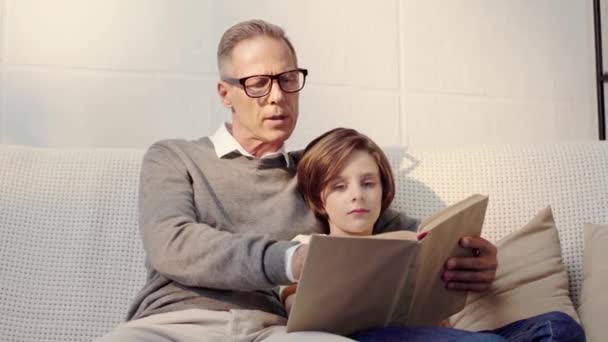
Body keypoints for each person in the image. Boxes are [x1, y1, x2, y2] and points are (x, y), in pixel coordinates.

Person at [96, 19, 582, 342]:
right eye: (257, 84)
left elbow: (406, 237)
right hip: (176, 324)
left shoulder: (318, 173)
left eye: (288, 79)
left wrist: (468, 255)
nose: (276, 97)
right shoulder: (175, 158)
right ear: (225, 94)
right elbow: (173, 243)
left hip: (278, 331)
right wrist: (291, 258)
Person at [282, 127, 586, 342]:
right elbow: (298, 315)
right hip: (362, 338)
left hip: (435, 336)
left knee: (558, 327)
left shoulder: (409, 243)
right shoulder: (304, 249)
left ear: (384, 191)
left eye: (368, 183)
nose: (357, 195)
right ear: (319, 200)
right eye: (339, 186)